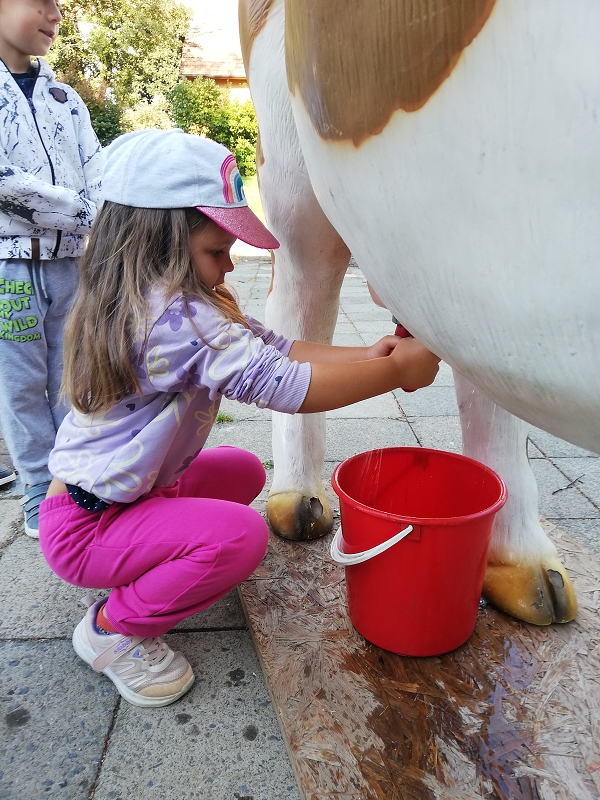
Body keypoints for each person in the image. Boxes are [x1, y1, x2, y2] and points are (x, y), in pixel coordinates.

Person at [38, 129, 440, 708]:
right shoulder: (170, 324)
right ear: (159, 243)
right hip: (87, 529)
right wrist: (396, 374)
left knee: (243, 470)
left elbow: (278, 347)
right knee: (242, 536)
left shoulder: (171, 301)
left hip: (118, 500)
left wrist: (371, 355)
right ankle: (113, 628)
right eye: (216, 251)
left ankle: (159, 557)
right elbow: (283, 385)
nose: (229, 266)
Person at [0, 0, 102, 536]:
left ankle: (74, 475)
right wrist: (85, 211)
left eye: (59, 4)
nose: (54, 13)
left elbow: (96, 167)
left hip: (71, 265)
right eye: (38, 1)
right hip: (8, 273)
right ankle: (37, 486)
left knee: (73, 374)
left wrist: (104, 221)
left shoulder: (66, 98)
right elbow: (6, 184)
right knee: (19, 384)